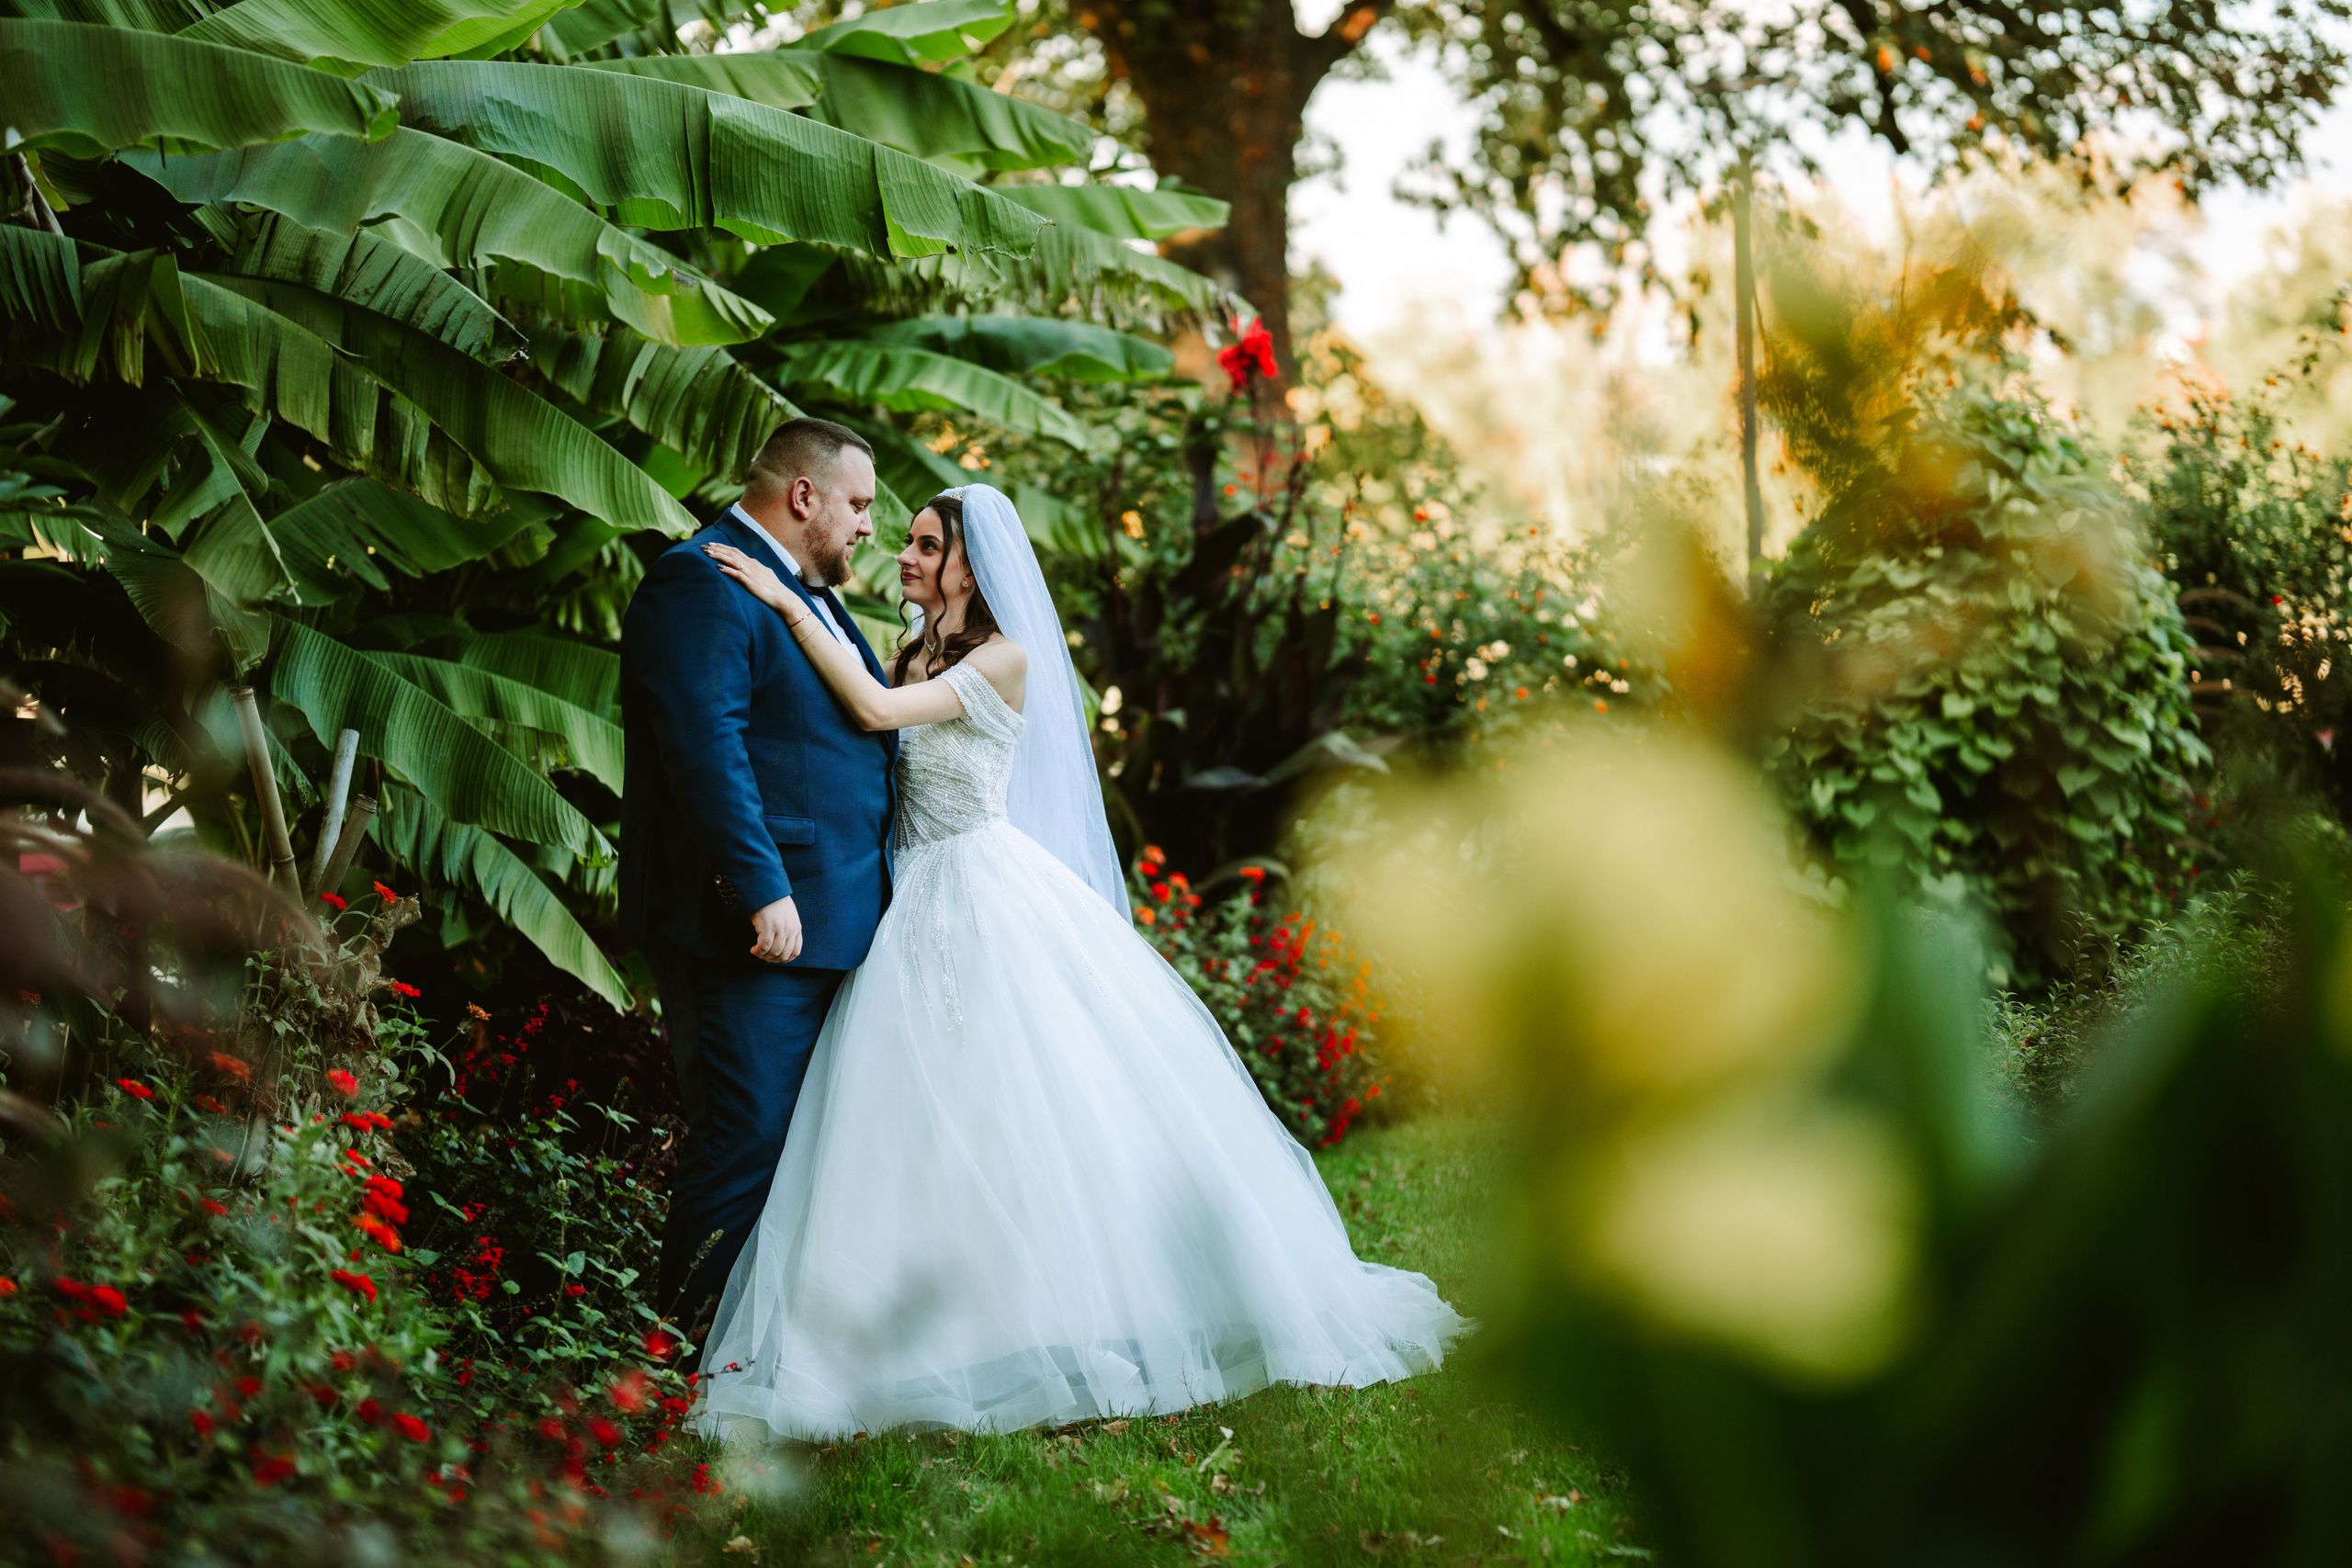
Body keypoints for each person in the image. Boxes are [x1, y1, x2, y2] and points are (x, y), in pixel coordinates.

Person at [688, 481, 1466, 1439]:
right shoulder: (912, 647)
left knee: (1027, 1103)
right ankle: (951, 1317)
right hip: (912, 897)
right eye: (910, 542)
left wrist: (783, 597)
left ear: (970, 567)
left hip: (979, 890)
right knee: (927, 1113)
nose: (906, 555)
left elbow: (878, 711)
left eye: (927, 545)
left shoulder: (1003, 659)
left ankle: (1086, 1306)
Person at [617, 417, 897, 1337]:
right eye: (858, 504)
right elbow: (705, 746)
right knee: (744, 1144)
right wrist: (761, 886)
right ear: (803, 495)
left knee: (793, 1150)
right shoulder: (699, 579)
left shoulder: (800, 591)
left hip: (829, 922)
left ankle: (757, 1350)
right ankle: (681, 1360)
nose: (868, 525)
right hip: (748, 930)